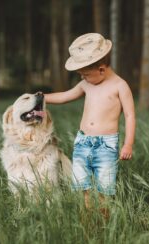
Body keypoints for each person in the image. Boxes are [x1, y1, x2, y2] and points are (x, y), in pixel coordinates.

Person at [44, 33, 136, 218]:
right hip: (83, 142)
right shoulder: (86, 84)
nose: (83, 78)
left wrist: (128, 144)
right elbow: (64, 96)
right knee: (82, 184)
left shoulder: (120, 86)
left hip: (106, 145)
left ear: (101, 69)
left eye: (85, 74)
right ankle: (85, 219)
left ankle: (103, 221)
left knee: (104, 187)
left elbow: (130, 115)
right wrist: (42, 97)